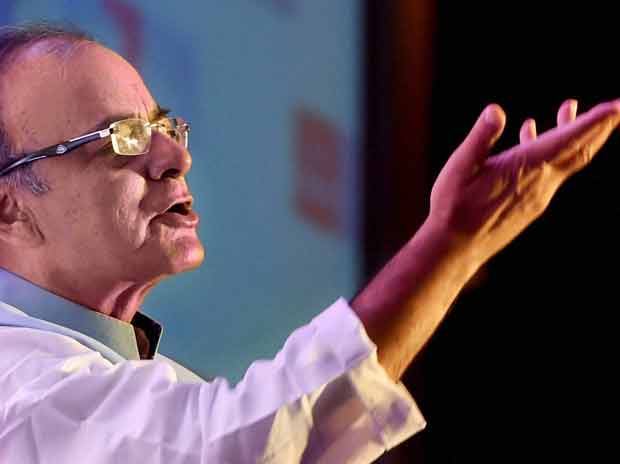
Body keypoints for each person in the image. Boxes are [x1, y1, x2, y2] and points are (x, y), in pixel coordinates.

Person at [0, 23, 617, 463]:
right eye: (123, 136)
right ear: (9, 204)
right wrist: (450, 245)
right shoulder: (18, 390)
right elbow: (239, 450)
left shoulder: (141, 382)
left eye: (162, 126)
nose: (176, 156)